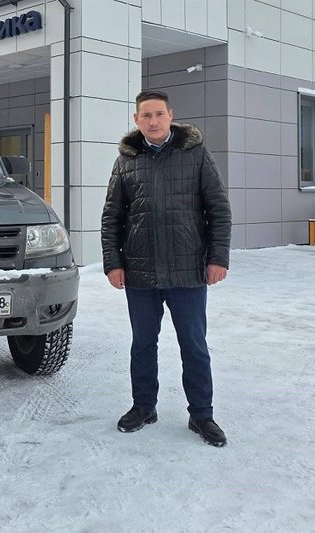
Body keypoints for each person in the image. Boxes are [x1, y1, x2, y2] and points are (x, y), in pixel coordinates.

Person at [100, 90, 232, 447]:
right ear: (136, 120)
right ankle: (144, 407)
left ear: (171, 115)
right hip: (140, 273)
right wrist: (113, 262)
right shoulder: (126, 161)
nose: (153, 121)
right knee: (143, 344)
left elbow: (218, 209)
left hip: (187, 270)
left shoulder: (196, 154)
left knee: (194, 345)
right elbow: (112, 216)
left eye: (159, 114)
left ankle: (201, 414)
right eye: (146, 115)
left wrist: (218, 258)